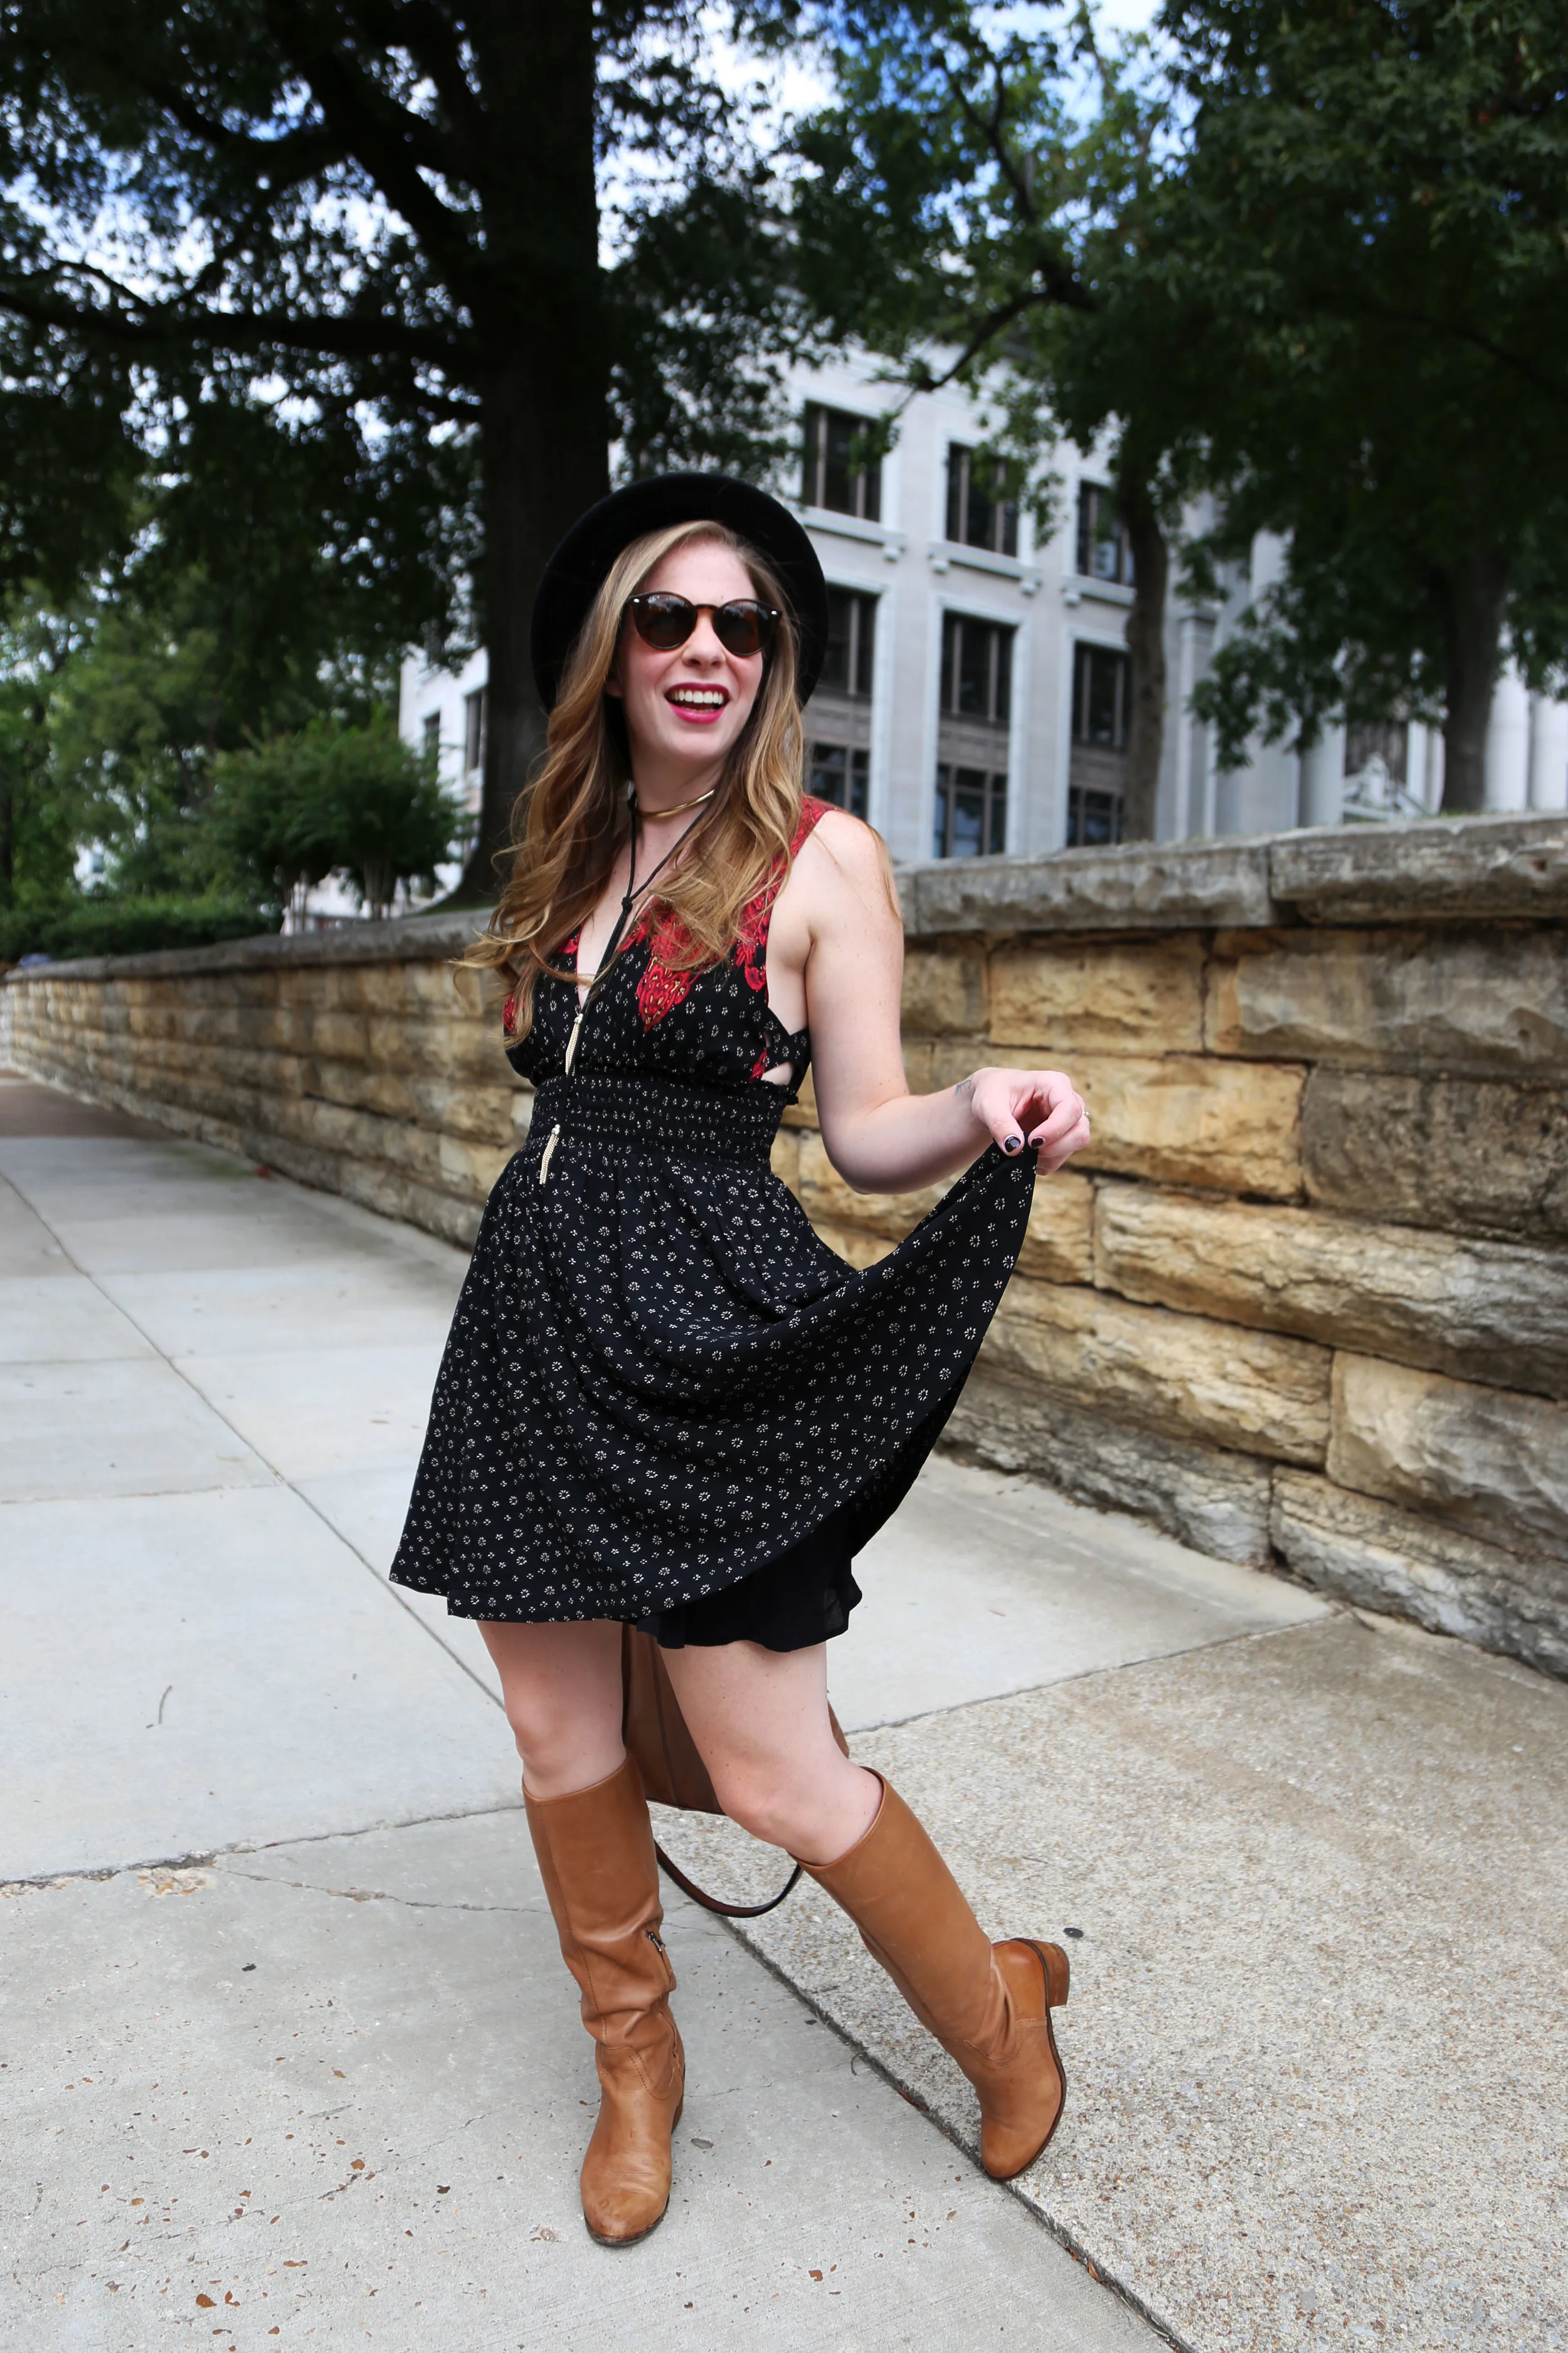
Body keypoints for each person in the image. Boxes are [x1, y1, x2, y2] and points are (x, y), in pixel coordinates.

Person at [391, 475, 1091, 2248]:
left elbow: (861, 1127)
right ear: (615, 650)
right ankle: (636, 2069)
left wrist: (979, 1101)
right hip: (532, 1332)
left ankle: (1000, 2027)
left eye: (743, 624)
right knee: (557, 1741)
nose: (706, 648)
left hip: (707, 1346)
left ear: (772, 662)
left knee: (771, 1764)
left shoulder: (816, 855)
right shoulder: (568, 850)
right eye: (668, 618)